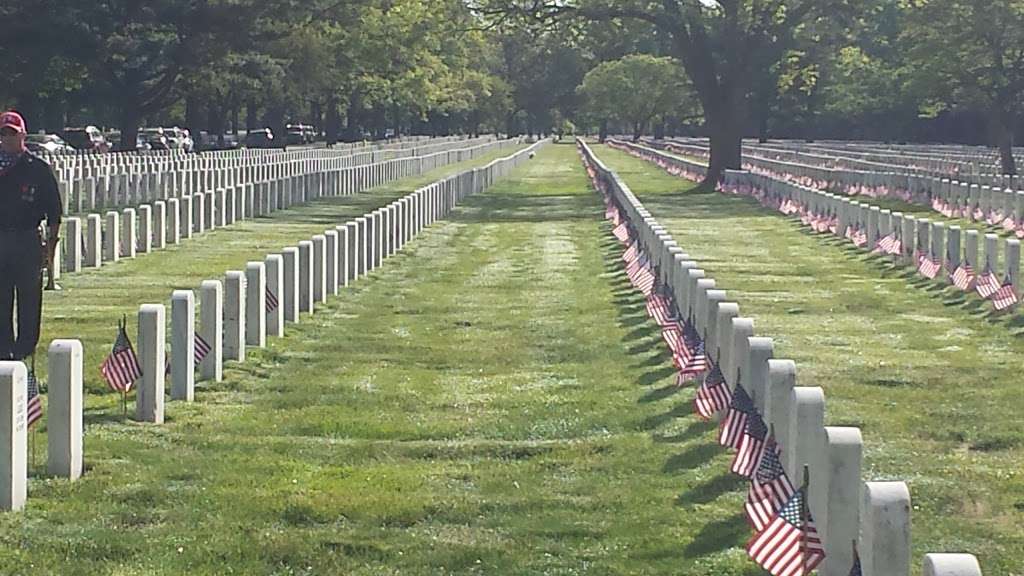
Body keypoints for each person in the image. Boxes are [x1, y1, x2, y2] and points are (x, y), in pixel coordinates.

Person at [0, 110, 62, 361]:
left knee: (28, 302)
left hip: (27, 241)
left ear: (23, 134)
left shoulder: (37, 169)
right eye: (3, 133)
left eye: (12, 133)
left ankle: (24, 351)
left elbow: (54, 212)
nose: (7, 138)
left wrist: (51, 247)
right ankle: (3, 352)